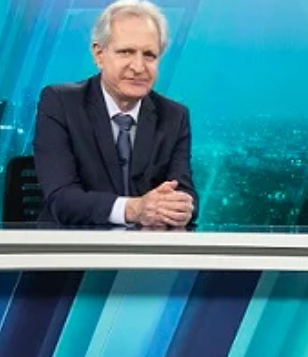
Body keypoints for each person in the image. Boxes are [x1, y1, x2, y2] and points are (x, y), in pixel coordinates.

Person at [33, 0, 196, 227]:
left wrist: (180, 207)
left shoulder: (174, 116)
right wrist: (133, 209)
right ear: (99, 55)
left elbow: (185, 194)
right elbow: (62, 198)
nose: (138, 67)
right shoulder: (61, 103)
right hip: (69, 250)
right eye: (126, 52)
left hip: (145, 254)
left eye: (149, 55)